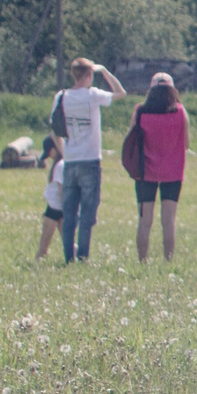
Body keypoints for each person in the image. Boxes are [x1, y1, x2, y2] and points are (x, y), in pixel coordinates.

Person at [50, 58, 132, 264]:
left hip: (70, 161)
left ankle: (68, 257)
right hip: (90, 160)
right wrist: (104, 70)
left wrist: (64, 151)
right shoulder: (93, 95)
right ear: (89, 76)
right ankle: (83, 255)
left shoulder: (61, 96)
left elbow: (54, 128)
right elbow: (121, 93)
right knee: (87, 213)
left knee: (69, 214)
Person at [126, 73, 190, 262]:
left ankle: (142, 260)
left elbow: (131, 139)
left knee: (145, 220)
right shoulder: (179, 111)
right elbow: (186, 143)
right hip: (173, 172)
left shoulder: (140, 112)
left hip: (145, 172)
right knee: (168, 221)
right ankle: (168, 260)